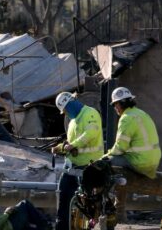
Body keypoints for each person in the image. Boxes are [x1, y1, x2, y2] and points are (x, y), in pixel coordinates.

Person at [52, 92, 104, 230]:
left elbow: (90, 134)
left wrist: (74, 145)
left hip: (88, 168)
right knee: (63, 200)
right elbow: (71, 144)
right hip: (72, 167)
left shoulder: (90, 113)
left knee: (85, 207)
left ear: (71, 103)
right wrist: (60, 148)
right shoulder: (73, 122)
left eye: (65, 110)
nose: (66, 114)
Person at [103, 87, 161, 179]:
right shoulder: (141, 113)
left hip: (141, 162)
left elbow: (120, 148)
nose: (115, 108)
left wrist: (105, 156)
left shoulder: (126, 118)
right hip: (153, 162)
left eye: (114, 105)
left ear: (118, 104)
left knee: (104, 163)